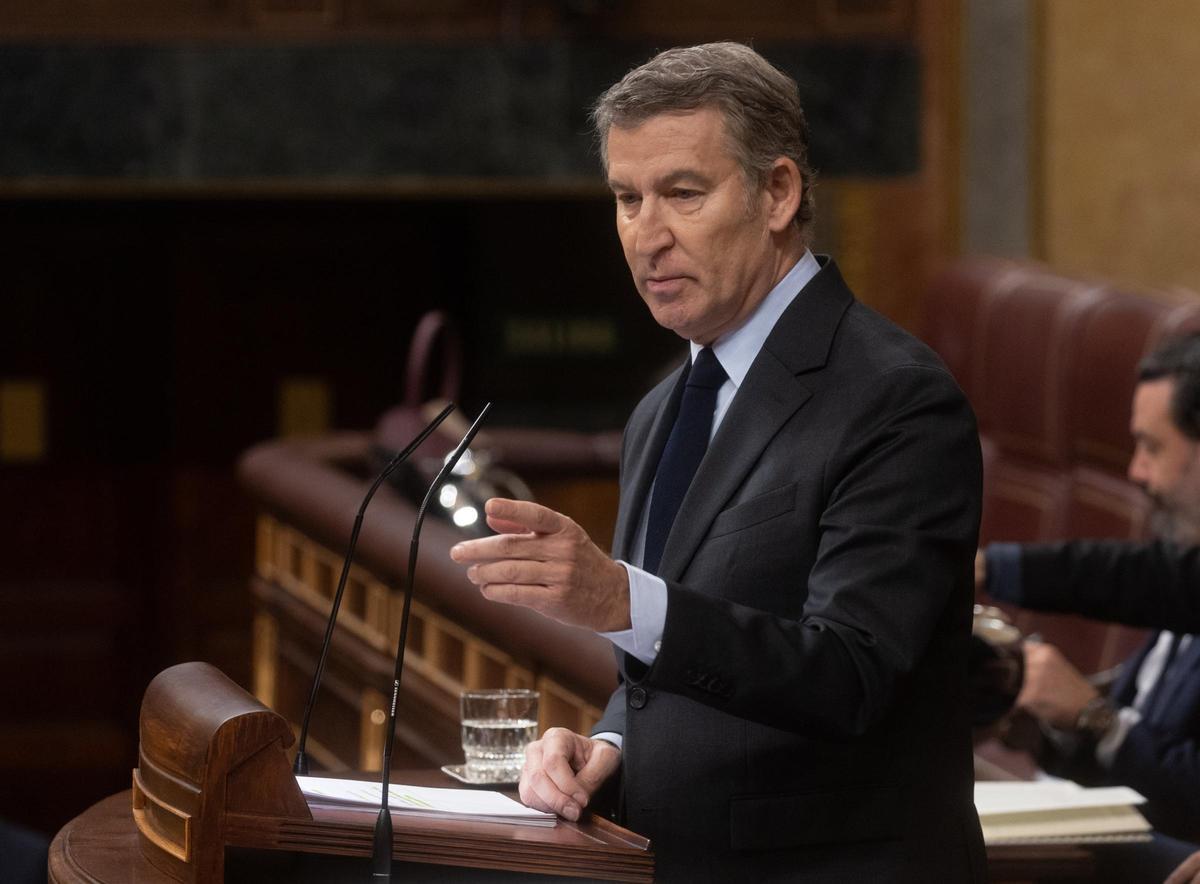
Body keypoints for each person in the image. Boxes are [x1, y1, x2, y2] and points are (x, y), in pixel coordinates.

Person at [450, 42, 985, 882]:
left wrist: (618, 598)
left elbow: (850, 673)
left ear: (778, 193)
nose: (646, 236)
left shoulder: (895, 398)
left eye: (683, 194)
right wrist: (613, 741)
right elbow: (677, 662)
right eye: (627, 199)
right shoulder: (661, 408)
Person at [978, 333, 1200, 852]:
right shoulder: (1180, 566)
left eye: (1152, 447)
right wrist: (1054, 727)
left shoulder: (1176, 580)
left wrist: (1095, 719)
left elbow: (1188, 798)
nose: (1135, 471)